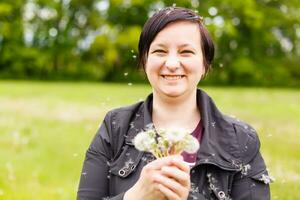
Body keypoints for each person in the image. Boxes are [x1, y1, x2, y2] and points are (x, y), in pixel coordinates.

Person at [77, 6, 271, 200]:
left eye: (186, 52)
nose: (171, 63)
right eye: (160, 51)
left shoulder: (241, 141)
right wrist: (135, 196)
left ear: (205, 64)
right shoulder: (115, 126)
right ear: (145, 61)